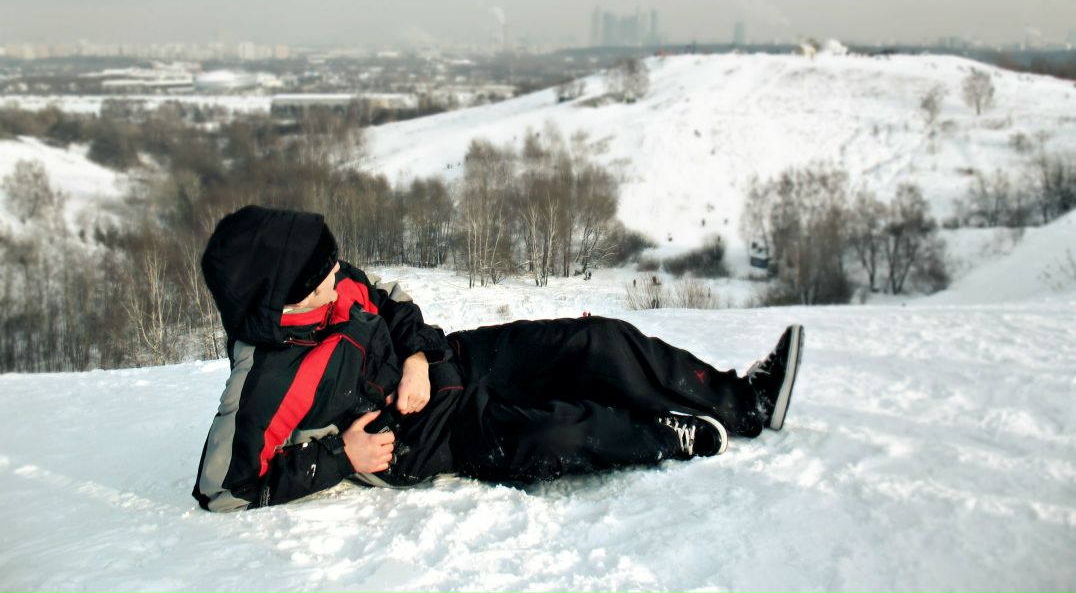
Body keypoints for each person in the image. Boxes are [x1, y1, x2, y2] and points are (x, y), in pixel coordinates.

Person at [193, 205, 804, 512]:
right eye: (321, 277)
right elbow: (222, 487)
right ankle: (664, 435)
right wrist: (340, 456)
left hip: (458, 359)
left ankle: (745, 402)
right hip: (426, 439)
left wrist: (418, 359)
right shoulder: (265, 379)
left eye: (332, 265)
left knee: (597, 341)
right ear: (279, 299)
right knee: (553, 431)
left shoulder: (336, 282)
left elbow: (395, 303)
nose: (338, 277)